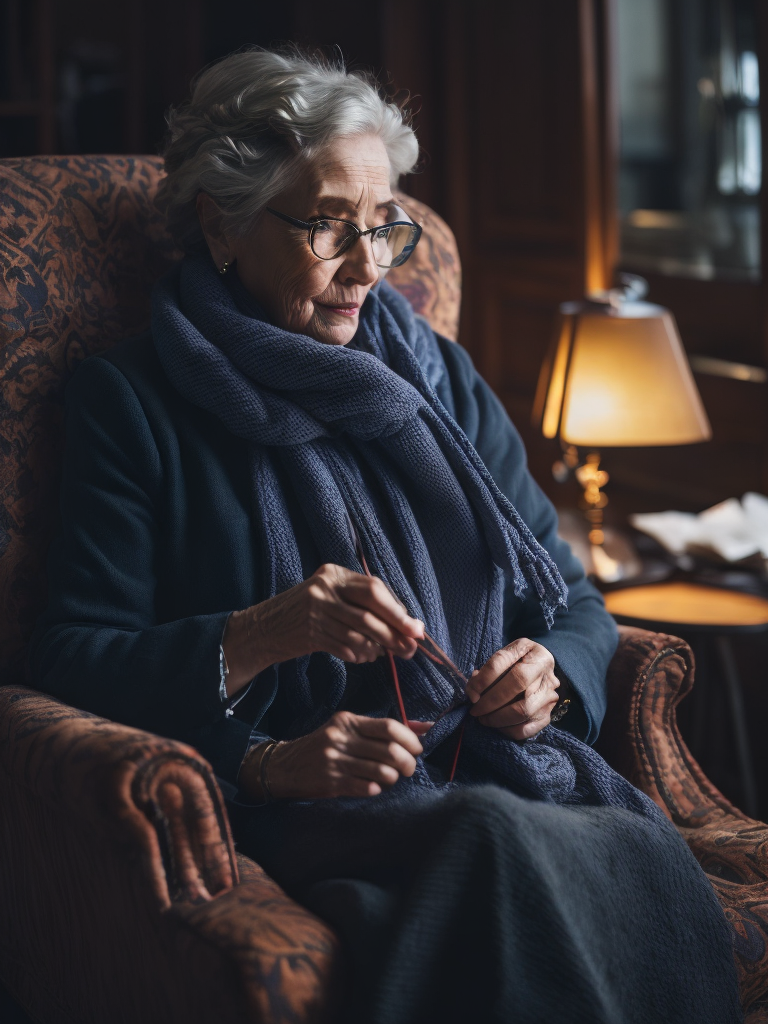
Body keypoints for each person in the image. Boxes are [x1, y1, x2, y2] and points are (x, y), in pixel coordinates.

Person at [31, 48, 741, 1024]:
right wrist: (264, 654)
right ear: (221, 223)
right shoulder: (133, 401)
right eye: (328, 225)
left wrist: (552, 672)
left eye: (386, 226)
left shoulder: (436, 376)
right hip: (310, 805)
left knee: (592, 840)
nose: (371, 266)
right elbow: (70, 656)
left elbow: (570, 590)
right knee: (496, 843)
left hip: (495, 772)